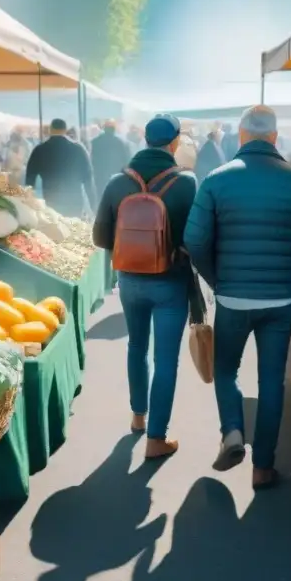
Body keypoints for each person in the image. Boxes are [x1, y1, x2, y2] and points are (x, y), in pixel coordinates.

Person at [184, 106, 291, 490]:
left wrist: (218, 279)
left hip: (232, 298)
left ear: (241, 136)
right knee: (272, 381)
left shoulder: (215, 180)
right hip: (279, 300)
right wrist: (287, 275)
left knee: (226, 370)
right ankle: (263, 466)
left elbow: (194, 240)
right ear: (275, 138)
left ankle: (231, 431)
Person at [92, 114, 197, 459]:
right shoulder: (186, 183)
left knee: (136, 346)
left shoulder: (116, 182)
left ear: (145, 140)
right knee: (166, 359)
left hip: (130, 281)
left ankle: (138, 416)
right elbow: (195, 238)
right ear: (175, 142)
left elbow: (99, 236)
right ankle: (157, 439)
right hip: (170, 282)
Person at [25, 119, 97, 218]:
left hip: (51, 201)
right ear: (65, 130)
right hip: (74, 202)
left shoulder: (39, 150)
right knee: (75, 231)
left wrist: (29, 203)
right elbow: (88, 179)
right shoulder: (78, 149)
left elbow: (30, 179)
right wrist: (93, 206)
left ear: (50, 130)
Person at [90, 120, 131, 197]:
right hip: (116, 175)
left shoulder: (95, 141)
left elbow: (92, 158)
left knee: (101, 195)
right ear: (114, 129)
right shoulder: (122, 142)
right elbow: (127, 160)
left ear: (104, 128)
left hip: (99, 174)